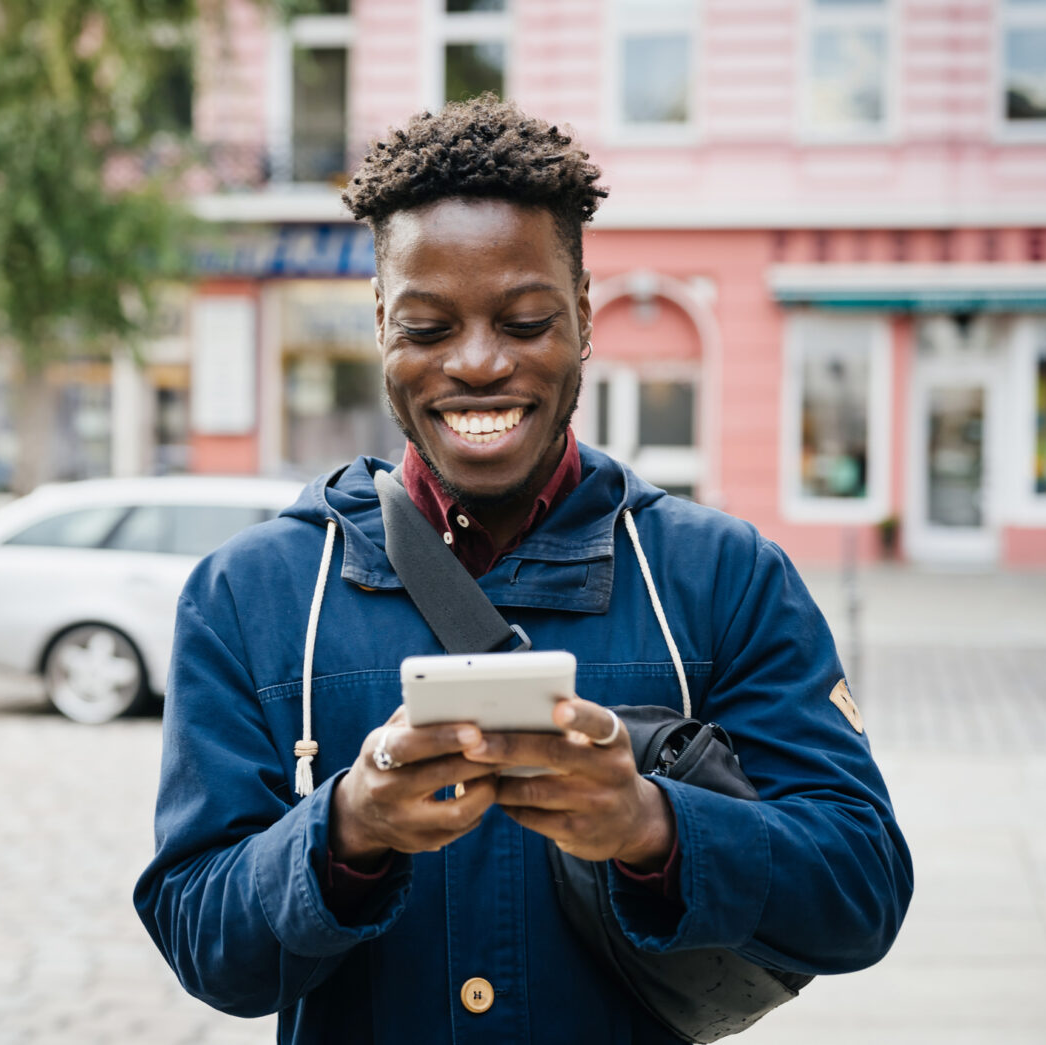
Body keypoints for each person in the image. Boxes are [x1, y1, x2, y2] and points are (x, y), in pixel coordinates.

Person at [135, 96, 912, 1044]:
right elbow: (199, 937)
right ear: (381, 324)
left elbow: (863, 887)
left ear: (584, 318)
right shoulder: (244, 596)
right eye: (427, 327)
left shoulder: (724, 578)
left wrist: (652, 827)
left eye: (526, 319)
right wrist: (345, 831)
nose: (476, 363)